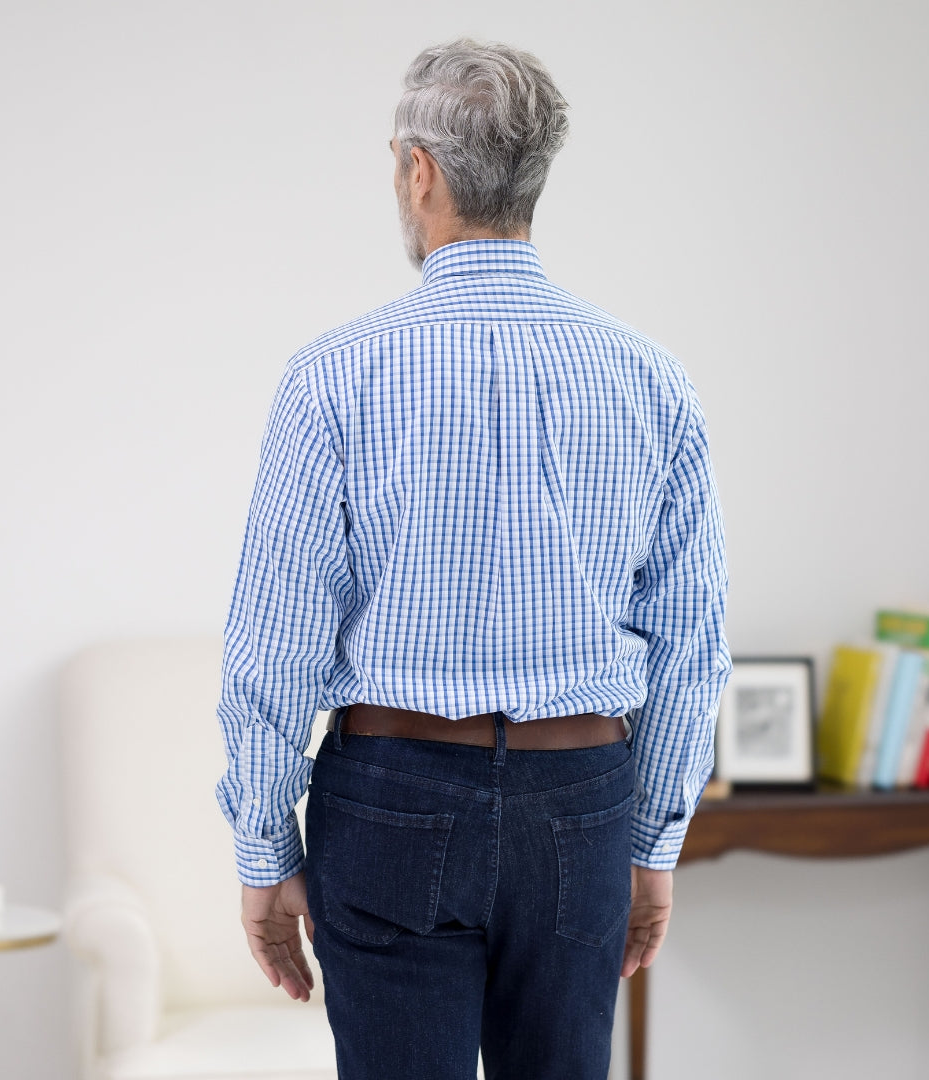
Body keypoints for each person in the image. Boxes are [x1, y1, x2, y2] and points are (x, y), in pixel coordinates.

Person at [215, 38, 731, 1080]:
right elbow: (691, 643)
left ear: (421, 172)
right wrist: (653, 842)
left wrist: (265, 852)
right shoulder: (652, 381)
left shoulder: (333, 380)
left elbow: (272, 648)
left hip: (389, 800)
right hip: (582, 800)